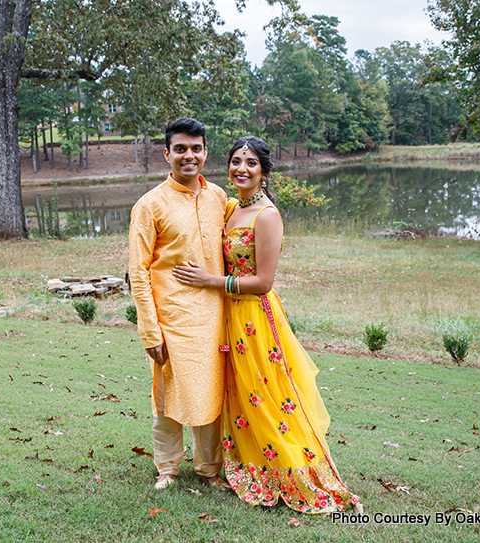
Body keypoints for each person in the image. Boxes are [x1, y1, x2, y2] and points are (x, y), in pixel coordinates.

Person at [173, 136, 360, 513]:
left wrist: (212, 282)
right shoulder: (230, 208)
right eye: (236, 161)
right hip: (229, 316)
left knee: (269, 396)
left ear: (264, 171)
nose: (241, 169)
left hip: (256, 317)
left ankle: (294, 471)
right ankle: (250, 465)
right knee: (240, 395)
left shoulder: (267, 215)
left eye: (251, 163)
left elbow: (264, 282)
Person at [128, 118, 232, 491]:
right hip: (171, 319)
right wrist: (149, 330)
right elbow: (137, 272)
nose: (189, 156)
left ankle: (209, 470)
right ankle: (168, 468)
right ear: (167, 154)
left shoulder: (219, 197)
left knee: (211, 395)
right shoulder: (149, 204)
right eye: (181, 149)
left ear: (205, 151)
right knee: (169, 397)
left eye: (196, 148)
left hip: (214, 318)